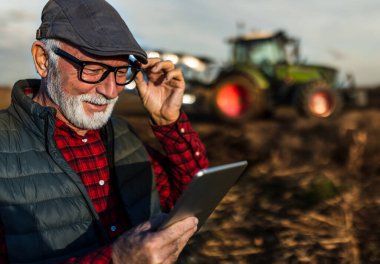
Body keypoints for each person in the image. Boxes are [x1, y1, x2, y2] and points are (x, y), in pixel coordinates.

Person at [0, 0, 208, 263]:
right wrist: (117, 259)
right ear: (43, 60)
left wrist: (168, 121)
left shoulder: (123, 135)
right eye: (94, 69)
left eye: (121, 72)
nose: (111, 91)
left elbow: (186, 205)